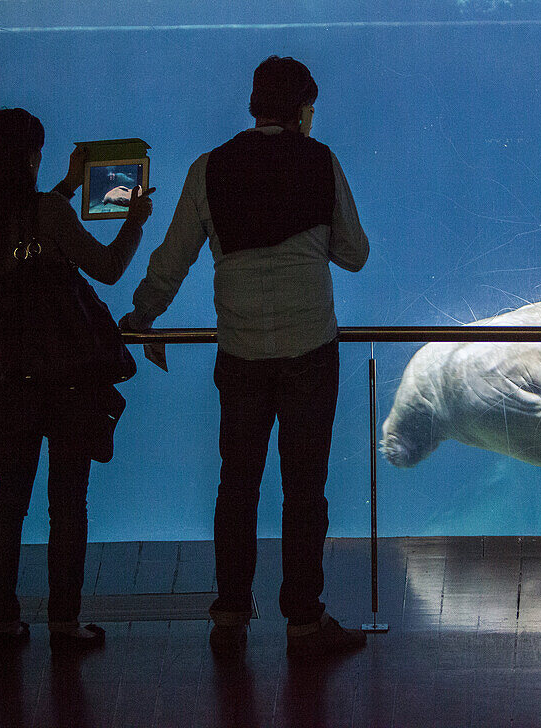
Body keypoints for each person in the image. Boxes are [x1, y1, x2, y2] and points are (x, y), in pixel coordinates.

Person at [119, 56, 370, 657]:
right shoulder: (321, 162)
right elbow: (355, 254)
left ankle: (231, 610)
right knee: (304, 487)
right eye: (311, 106)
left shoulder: (209, 169)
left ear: (254, 105)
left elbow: (173, 258)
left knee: (238, 484)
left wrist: (141, 315)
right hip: (311, 351)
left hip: (241, 353)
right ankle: (304, 620)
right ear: (302, 108)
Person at [0, 108, 153, 653]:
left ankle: (2, 622)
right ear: (27, 157)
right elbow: (109, 267)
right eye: (37, 151)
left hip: (12, 376)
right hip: (68, 379)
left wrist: (68, 185)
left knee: (8, 502)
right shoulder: (49, 213)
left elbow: (24, 253)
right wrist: (134, 220)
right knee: (68, 503)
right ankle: (64, 623)